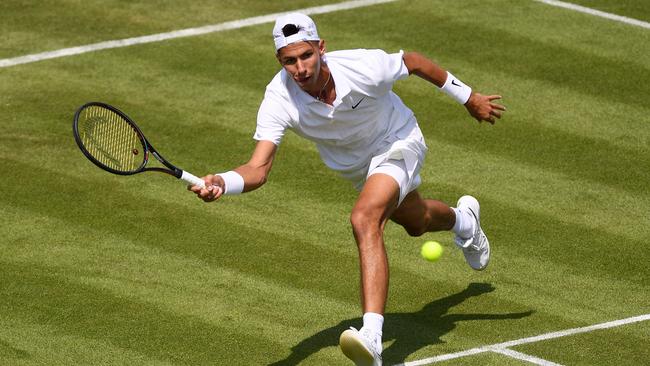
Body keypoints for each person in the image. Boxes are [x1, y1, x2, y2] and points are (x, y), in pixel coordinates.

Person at [189, 13, 505, 366]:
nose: (300, 68)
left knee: (364, 218)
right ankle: (463, 221)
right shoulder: (278, 97)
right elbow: (258, 169)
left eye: (306, 56)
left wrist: (468, 97)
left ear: (321, 48)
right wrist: (222, 180)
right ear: (280, 62)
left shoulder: (361, 66)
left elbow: (413, 63)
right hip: (357, 167)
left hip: (397, 140)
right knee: (416, 222)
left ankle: (371, 335)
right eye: (289, 61)